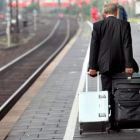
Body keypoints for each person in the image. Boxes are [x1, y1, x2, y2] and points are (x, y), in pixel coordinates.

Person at [89, 2, 134, 104]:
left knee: (106, 91)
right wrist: (129, 65)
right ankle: (120, 115)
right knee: (120, 90)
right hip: (120, 64)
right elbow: (127, 46)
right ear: (116, 12)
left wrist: (92, 67)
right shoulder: (124, 25)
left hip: (104, 65)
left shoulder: (97, 26)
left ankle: (108, 116)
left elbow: (94, 48)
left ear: (104, 13)